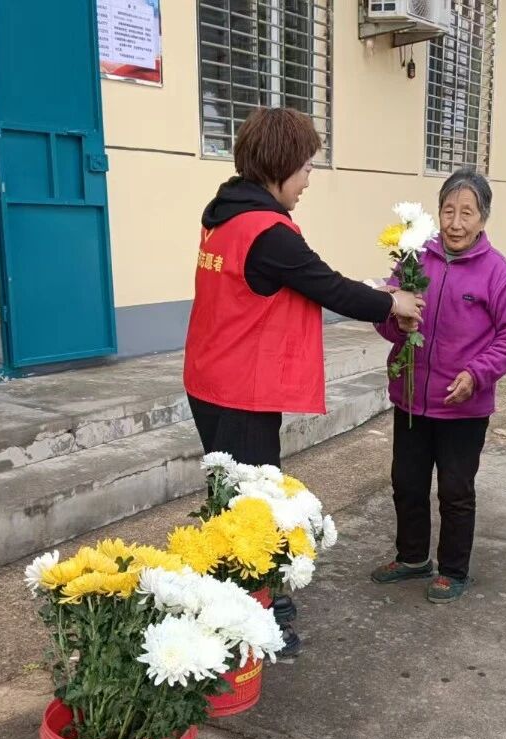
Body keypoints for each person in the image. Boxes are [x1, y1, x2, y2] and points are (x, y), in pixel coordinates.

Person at [184, 107, 425, 658]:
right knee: (253, 506)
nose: (310, 180)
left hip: (209, 376)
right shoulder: (267, 231)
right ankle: (257, 617)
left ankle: (242, 601)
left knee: (232, 496)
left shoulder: (223, 215)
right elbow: (327, 285)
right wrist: (393, 301)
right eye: (307, 168)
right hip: (240, 390)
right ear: (281, 164)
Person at [370, 168, 506, 603]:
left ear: (483, 219)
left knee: (456, 491)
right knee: (407, 482)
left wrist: (477, 374)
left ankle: (454, 570)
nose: (456, 223)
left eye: (467, 213)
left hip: (463, 407)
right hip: (412, 398)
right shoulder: (414, 258)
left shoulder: (496, 271)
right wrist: (397, 322)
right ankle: (412, 558)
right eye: (448, 211)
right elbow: (387, 314)